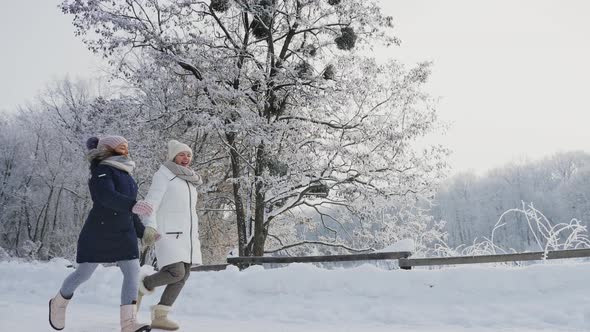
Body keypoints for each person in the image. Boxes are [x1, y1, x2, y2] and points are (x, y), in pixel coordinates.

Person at [48, 136, 151, 332]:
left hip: (124, 232)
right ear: (109, 149)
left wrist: (143, 232)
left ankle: (129, 324)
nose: (126, 150)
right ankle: (58, 302)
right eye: (121, 147)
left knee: (132, 272)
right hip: (100, 231)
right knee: (83, 273)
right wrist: (133, 205)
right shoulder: (101, 170)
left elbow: (129, 208)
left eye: (127, 147)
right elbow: (106, 197)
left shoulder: (127, 174)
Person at [131, 139, 203, 331]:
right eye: (181, 154)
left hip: (187, 235)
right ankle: (142, 285)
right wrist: (150, 226)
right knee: (176, 271)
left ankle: (160, 315)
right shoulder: (164, 175)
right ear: (173, 156)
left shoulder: (190, 180)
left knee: (184, 275)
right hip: (168, 232)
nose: (186, 158)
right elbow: (151, 203)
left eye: (188, 155)